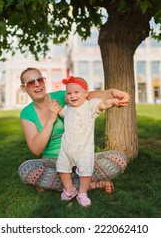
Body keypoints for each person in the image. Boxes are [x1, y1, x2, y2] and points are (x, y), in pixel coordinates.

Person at [18, 67, 130, 195]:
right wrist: (50, 120)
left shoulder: (61, 96)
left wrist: (111, 93)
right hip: (54, 163)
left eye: (40, 80)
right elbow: (36, 149)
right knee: (26, 169)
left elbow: (87, 96)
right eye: (31, 82)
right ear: (23, 88)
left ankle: (62, 185)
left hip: (81, 157)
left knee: (119, 159)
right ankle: (88, 185)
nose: (37, 84)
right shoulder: (27, 113)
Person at [56, 76, 122, 207]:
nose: (72, 96)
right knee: (62, 169)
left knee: (85, 172)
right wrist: (56, 108)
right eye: (69, 93)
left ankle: (82, 193)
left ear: (86, 94)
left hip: (83, 149)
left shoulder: (90, 106)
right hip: (66, 148)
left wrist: (113, 102)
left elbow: (103, 104)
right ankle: (69, 190)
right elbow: (61, 113)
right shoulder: (67, 108)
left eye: (76, 92)